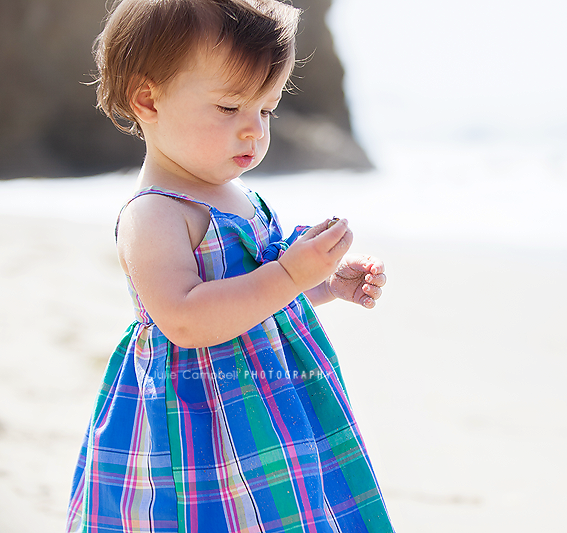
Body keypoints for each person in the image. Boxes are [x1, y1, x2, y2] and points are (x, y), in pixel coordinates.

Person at [65, 1, 394, 531]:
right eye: (229, 108)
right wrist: (289, 275)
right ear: (147, 99)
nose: (253, 131)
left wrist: (323, 283)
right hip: (198, 414)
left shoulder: (238, 196)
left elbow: (253, 299)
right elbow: (187, 319)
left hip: (271, 399)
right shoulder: (156, 213)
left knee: (292, 507)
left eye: (265, 110)